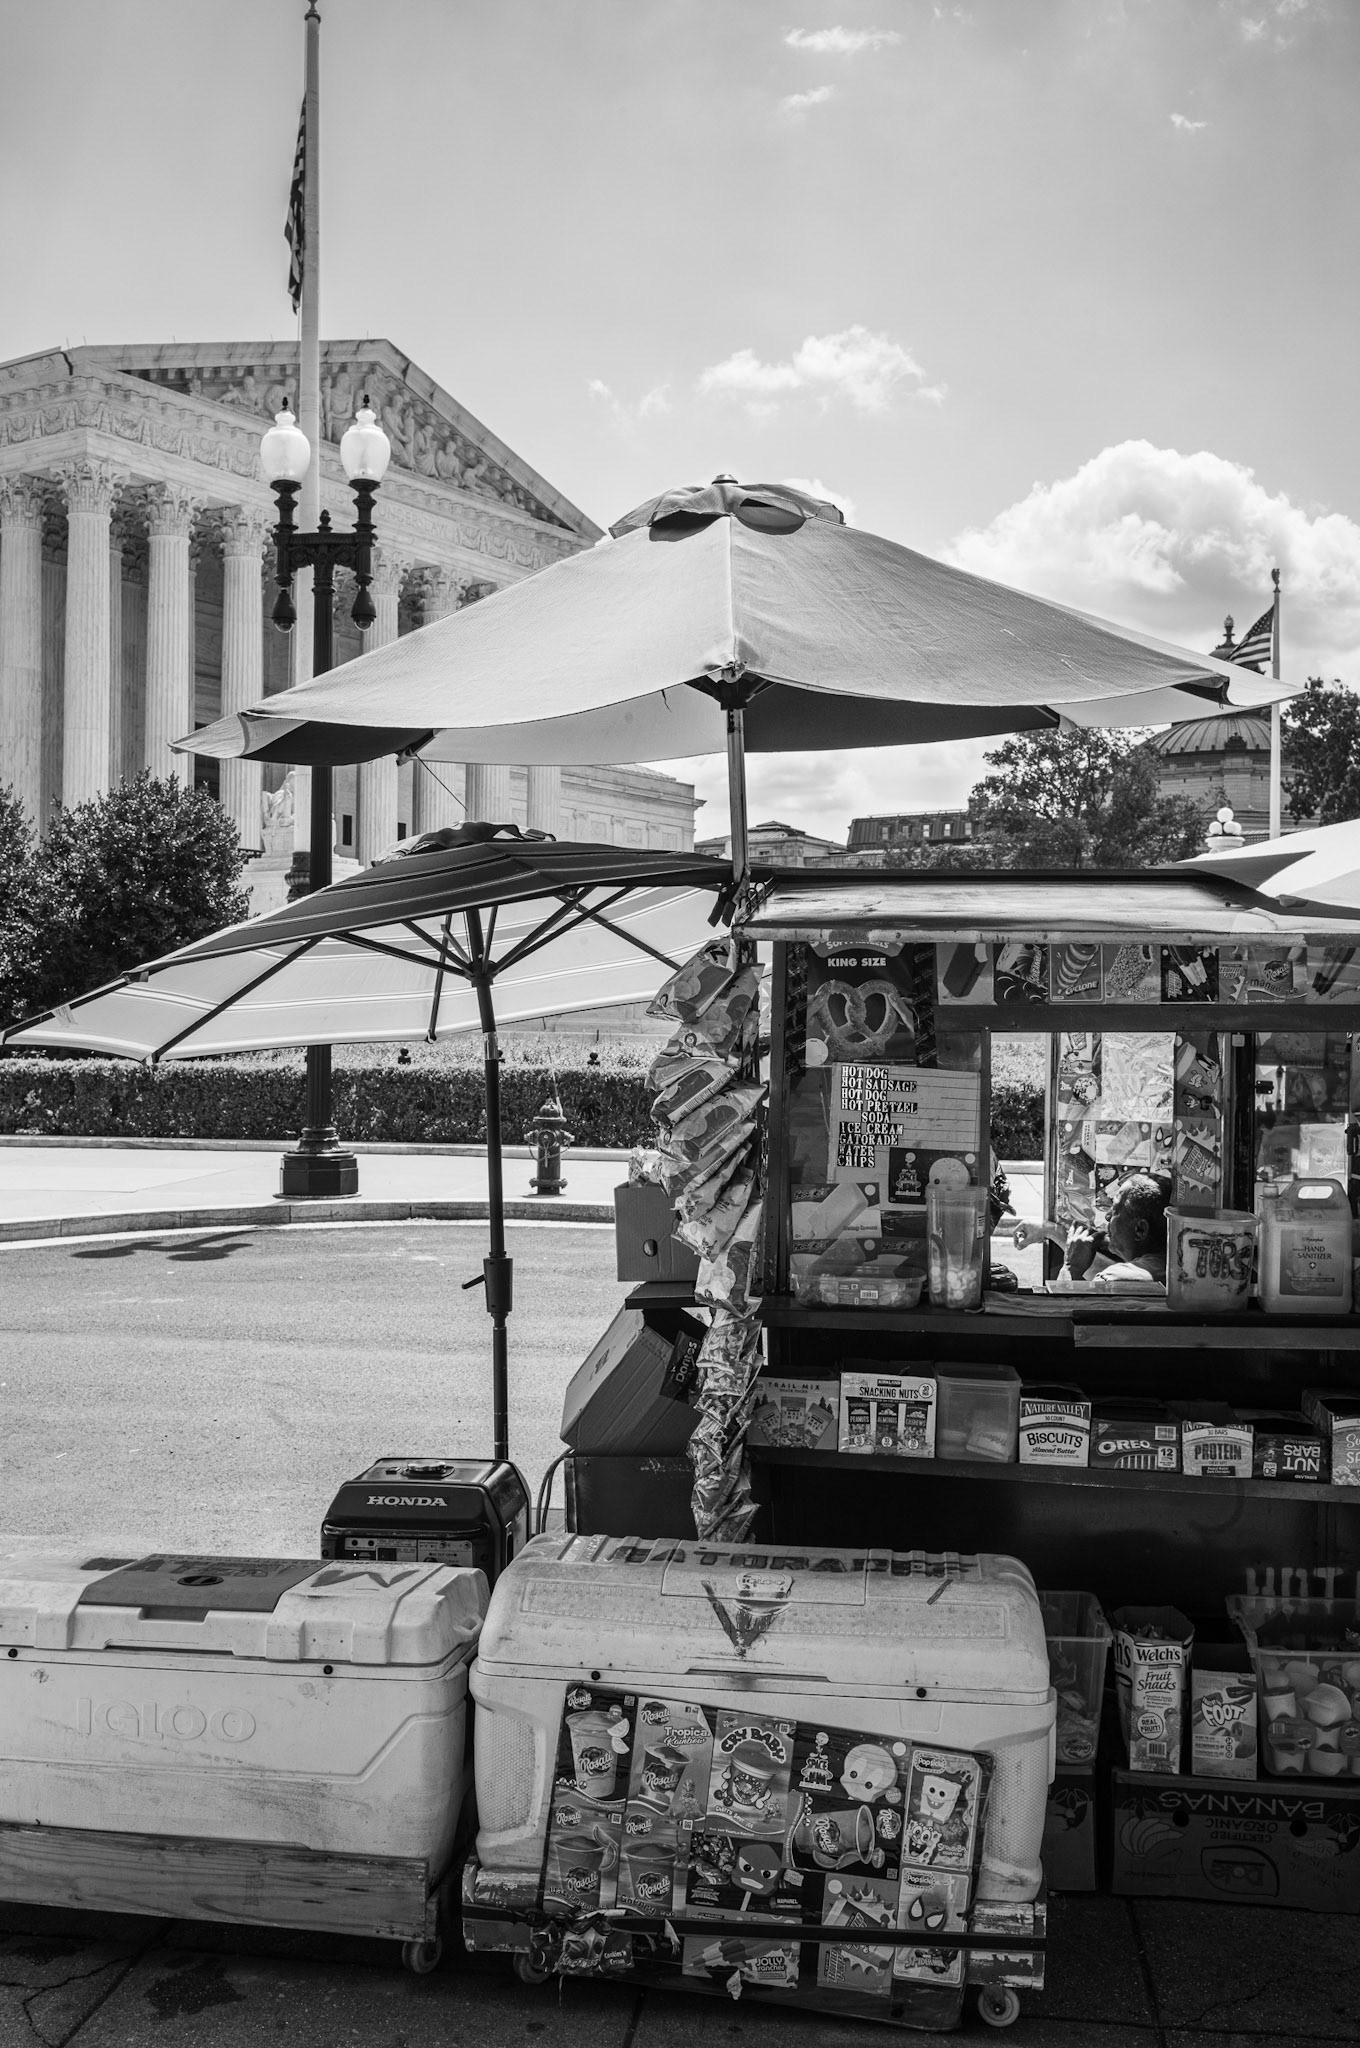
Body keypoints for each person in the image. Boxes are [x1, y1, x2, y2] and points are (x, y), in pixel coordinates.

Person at [1063, 1170, 1171, 1284]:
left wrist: (1071, 1267)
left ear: (1140, 1229)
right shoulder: (1179, 1269)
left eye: (1115, 1210)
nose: (1107, 1216)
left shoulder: (1112, 1279)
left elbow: (1059, 1301)